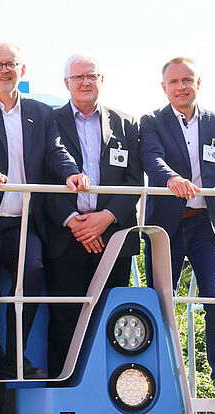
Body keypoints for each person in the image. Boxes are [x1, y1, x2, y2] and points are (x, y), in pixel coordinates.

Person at [0, 41, 90, 379]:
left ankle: (14, 357)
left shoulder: (41, 112)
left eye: (10, 64)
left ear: (22, 70)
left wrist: (71, 172)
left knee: (31, 273)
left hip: (22, 221)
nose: (4, 70)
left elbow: (55, 152)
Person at [139, 57, 215, 401]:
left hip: (205, 226)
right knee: (160, 299)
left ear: (198, 82)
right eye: (174, 82)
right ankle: (158, 370)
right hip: (165, 227)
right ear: (164, 88)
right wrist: (171, 179)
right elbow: (152, 159)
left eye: (187, 80)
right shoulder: (152, 121)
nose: (181, 87)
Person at [45, 54, 143, 378]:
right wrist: (74, 220)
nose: (85, 82)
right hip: (67, 236)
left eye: (91, 76)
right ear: (66, 84)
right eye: (78, 78)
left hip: (113, 238)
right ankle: (63, 389)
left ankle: (111, 385)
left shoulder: (126, 123)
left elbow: (134, 180)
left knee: (111, 317)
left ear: (102, 79)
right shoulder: (51, 120)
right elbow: (44, 174)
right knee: (65, 318)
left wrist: (106, 217)